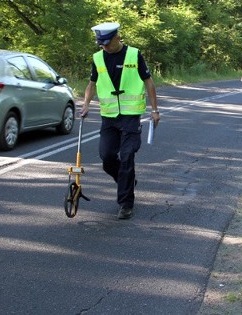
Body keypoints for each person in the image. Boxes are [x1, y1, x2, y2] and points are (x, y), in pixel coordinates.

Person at [80, 22, 160, 220]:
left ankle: (125, 204)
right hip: (108, 117)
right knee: (107, 158)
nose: (104, 47)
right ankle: (127, 181)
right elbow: (92, 83)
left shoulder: (134, 54)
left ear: (117, 38)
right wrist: (86, 104)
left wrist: (155, 110)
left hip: (131, 116)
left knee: (126, 157)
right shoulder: (98, 58)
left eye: (107, 43)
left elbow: (148, 81)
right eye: (101, 44)